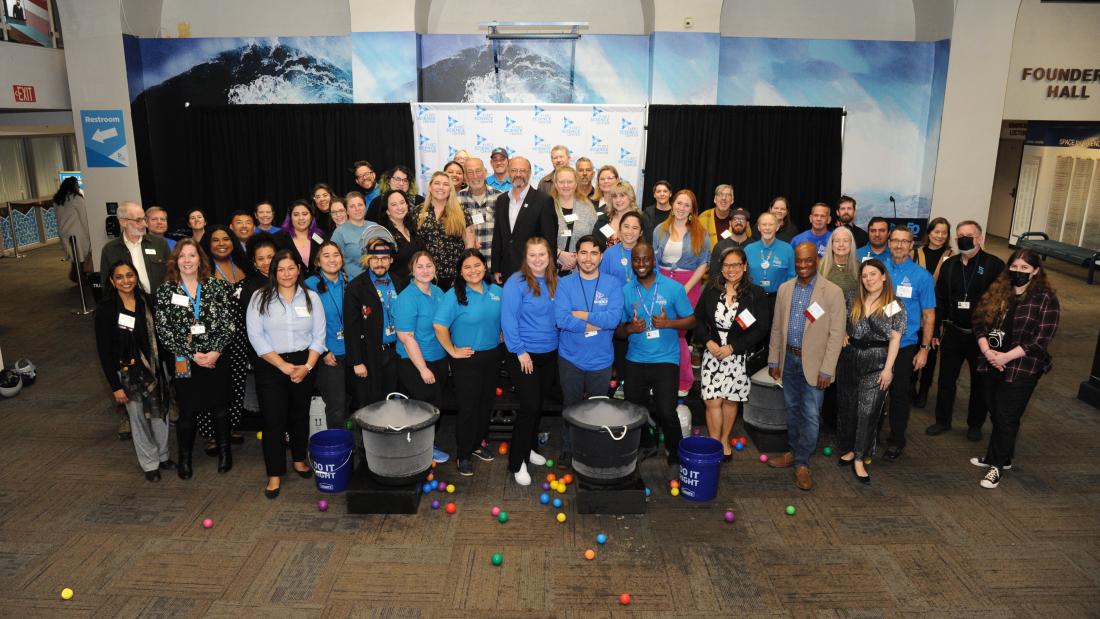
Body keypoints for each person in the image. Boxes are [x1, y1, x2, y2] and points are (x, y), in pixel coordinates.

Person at [970, 249, 1060, 489]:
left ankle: (996, 466)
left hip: (1022, 366)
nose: (1018, 272)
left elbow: (1041, 339)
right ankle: (1002, 456)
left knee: (1006, 417)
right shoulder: (998, 290)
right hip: (990, 361)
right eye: (1015, 267)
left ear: (1036, 271)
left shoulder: (1045, 298)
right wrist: (988, 353)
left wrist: (1006, 357)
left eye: (1024, 268)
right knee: (996, 411)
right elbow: (978, 321)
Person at [766, 242, 846, 491]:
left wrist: (827, 370)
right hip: (789, 359)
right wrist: (774, 359)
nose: (802, 265)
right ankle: (793, 451)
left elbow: (836, 335)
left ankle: (802, 462)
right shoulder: (785, 289)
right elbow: (777, 326)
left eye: (808, 260)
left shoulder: (832, 292)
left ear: (817, 260)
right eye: (799, 261)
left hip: (816, 365)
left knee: (811, 414)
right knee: (791, 409)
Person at [155, 239, 238, 480]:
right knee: (187, 412)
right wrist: (192, 354)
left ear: (200, 260)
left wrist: (215, 352)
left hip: (216, 357)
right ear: (175, 261)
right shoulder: (166, 290)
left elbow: (229, 323)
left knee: (220, 408)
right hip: (184, 360)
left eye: (192, 255)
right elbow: (163, 330)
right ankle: (185, 458)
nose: (188, 260)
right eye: (183, 256)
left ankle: (225, 453)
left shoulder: (215, 286)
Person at [246, 250, 326, 498]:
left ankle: (299, 459)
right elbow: (256, 337)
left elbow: (319, 336)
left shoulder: (311, 297)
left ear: (299, 270)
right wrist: (282, 366)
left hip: (304, 364)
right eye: (280, 269)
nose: (286, 274)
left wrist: (307, 367)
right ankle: (274, 473)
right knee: (273, 420)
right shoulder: (260, 298)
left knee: (299, 415)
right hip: (271, 365)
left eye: (291, 268)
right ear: (273, 272)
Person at [617, 241, 696, 477]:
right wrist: (631, 328)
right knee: (635, 409)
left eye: (645, 259)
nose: (641, 264)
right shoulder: (626, 291)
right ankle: (646, 444)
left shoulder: (673, 288)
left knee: (666, 411)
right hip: (635, 358)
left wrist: (669, 323)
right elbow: (618, 330)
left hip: (666, 359)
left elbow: (691, 320)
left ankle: (675, 451)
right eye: (636, 260)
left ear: (654, 261)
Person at [926, 220, 1004, 439]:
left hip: (982, 338)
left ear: (980, 238)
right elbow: (939, 299)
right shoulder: (949, 265)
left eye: (969, 235)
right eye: (960, 235)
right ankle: (942, 421)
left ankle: (975, 424)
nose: (964, 239)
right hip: (953, 332)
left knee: (979, 383)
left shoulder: (994, 266)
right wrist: (934, 331)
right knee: (946, 380)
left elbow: (1002, 303)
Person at [95, 260, 172, 481]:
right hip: (127, 373)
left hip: (154, 368)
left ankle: (164, 455)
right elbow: (103, 351)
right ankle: (150, 464)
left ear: (136, 276)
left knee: (160, 414)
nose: (126, 281)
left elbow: (160, 337)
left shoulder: (146, 300)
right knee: (138, 419)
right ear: (112, 281)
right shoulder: (106, 308)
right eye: (119, 277)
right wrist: (115, 386)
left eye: (130, 275)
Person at [554, 235, 625, 467]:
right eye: (583, 253)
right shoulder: (565, 283)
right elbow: (562, 319)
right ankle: (568, 448)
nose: (588, 258)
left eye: (594, 253)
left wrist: (581, 315)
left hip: (601, 360)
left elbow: (613, 319)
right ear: (576, 256)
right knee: (571, 406)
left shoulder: (613, 283)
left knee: (597, 409)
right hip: (570, 358)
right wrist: (597, 322)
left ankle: (594, 448)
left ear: (601, 256)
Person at [695, 247, 770, 459]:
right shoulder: (711, 288)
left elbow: (762, 328)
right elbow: (698, 319)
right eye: (727, 265)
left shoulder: (755, 294)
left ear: (744, 266)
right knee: (712, 400)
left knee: (729, 400)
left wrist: (733, 347)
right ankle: (713, 441)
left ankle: (724, 440)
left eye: (736, 264)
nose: (731, 269)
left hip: (737, 356)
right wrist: (708, 341)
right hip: (713, 354)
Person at [433, 249, 503, 476]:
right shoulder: (453, 295)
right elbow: (439, 326)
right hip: (467, 359)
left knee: (485, 405)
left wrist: (502, 333)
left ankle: (477, 445)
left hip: (492, 356)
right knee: (468, 408)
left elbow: (506, 317)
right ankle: (463, 454)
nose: (473, 270)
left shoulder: (496, 291)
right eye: (467, 267)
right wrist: (452, 351)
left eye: (477, 265)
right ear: (461, 272)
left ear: (485, 267)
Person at [836, 259, 905, 484]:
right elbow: (838, 321)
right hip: (849, 359)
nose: (869, 279)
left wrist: (889, 370)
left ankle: (859, 457)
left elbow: (895, 338)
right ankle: (848, 448)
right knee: (848, 407)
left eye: (873, 274)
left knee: (868, 411)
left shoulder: (894, 304)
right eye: (865, 276)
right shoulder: (852, 298)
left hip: (877, 361)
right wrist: (842, 333)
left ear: (884, 276)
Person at [501, 238, 560, 485]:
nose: (537, 260)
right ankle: (517, 462)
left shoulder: (555, 281)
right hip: (524, 355)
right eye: (532, 255)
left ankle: (529, 449)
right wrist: (520, 351)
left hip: (550, 352)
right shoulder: (516, 283)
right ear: (525, 258)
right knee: (529, 408)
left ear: (549, 257)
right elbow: (508, 320)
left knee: (539, 406)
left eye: (542, 255)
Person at [880, 227, 936, 461]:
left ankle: (896, 439)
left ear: (912, 246)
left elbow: (929, 316)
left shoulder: (922, 276)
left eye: (905, 242)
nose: (899, 245)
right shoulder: (877, 268)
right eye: (895, 241)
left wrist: (924, 350)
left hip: (905, 344)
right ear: (889, 243)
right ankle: (870, 433)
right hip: (877, 342)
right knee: (873, 392)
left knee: (899, 394)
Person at [393, 251, 450, 463]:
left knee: (436, 406)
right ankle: (422, 449)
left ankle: (428, 444)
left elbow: (446, 324)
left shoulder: (437, 292)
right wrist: (423, 369)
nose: (425, 270)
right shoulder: (407, 298)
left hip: (439, 358)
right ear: (412, 271)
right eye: (420, 266)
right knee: (424, 408)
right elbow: (407, 339)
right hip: (415, 362)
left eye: (429, 266)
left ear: (435, 269)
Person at [653, 189, 711, 395]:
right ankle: (659, 379)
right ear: (673, 204)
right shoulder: (660, 229)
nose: (681, 208)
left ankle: (684, 380)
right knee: (660, 330)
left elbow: (704, 263)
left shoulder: (700, 233)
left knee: (679, 332)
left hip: (688, 284)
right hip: (662, 282)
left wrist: (684, 288)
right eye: (679, 203)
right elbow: (654, 261)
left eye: (687, 205)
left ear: (692, 210)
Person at [199, 225, 251, 454]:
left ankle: (231, 427)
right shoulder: (203, 271)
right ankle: (210, 434)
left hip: (240, 337)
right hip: (213, 340)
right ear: (208, 245)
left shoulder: (243, 266)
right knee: (211, 386)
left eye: (226, 239)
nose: (222, 243)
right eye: (216, 240)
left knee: (237, 383)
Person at [345, 237, 405, 407]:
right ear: (367, 260)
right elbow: (351, 327)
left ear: (391, 260)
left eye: (384, 258)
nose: (380, 263)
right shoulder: (356, 287)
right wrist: (356, 361)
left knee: (395, 400)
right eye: (375, 259)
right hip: (369, 355)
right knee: (372, 404)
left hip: (397, 352)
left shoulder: (399, 282)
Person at [304, 241, 352, 430]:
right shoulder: (309, 285)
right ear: (318, 261)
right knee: (336, 407)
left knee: (348, 402)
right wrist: (322, 351)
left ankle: (349, 445)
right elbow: (304, 324)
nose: (332, 259)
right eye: (326, 255)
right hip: (328, 355)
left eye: (336, 254)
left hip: (351, 354)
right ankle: (336, 450)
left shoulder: (349, 282)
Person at [909, 216, 954, 407]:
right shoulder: (915, 253)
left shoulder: (952, 257)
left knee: (930, 352)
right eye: (936, 231)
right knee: (910, 350)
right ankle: (910, 387)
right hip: (913, 313)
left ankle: (924, 391)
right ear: (929, 233)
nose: (940, 236)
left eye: (944, 233)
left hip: (936, 314)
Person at [491, 156, 557, 282]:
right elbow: (498, 235)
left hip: (534, 269)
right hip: (506, 268)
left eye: (523, 171)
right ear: (508, 173)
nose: (518, 174)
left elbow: (550, 239)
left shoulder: (544, 200)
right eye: (514, 170)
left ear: (530, 173)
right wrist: (496, 267)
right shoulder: (501, 200)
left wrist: (550, 270)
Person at [99, 201, 171, 298]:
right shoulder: (110, 249)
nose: (144, 224)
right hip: (128, 304)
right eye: (138, 220)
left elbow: (172, 274)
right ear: (123, 222)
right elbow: (106, 284)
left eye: (144, 219)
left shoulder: (160, 244)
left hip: (158, 301)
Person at [419, 171, 475, 290]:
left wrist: (464, 273)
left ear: (450, 189)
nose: (441, 187)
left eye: (445, 184)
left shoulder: (461, 212)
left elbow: (470, 246)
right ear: (430, 187)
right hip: (426, 275)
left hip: (455, 276)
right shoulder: (417, 212)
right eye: (437, 183)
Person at [551, 165, 598, 276]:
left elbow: (594, 239)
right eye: (562, 182)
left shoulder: (587, 208)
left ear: (576, 183)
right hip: (551, 271)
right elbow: (540, 237)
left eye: (570, 182)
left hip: (581, 270)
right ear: (556, 184)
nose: (566, 185)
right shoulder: (547, 206)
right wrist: (558, 254)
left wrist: (577, 257)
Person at [744, 212, 796, 305]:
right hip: (752, 298)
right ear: (759, 227)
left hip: (778, 299)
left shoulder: (787, 249)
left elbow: (792, 276)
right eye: (764, 225)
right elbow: (743, 276)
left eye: (771, 225)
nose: (767, 228)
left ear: (777, 227)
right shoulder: (748, 249)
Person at [457, 157, 501, 266]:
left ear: (485, 172)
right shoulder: (456, 200)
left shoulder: (500, 197)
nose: (475, 176)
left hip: (493, 264)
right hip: (468, 266)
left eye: (478, 171)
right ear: (465, 177)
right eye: (470, 173)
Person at [52, 176, 92, 281]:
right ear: (73, 186)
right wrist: (89, 234)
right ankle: (81, 277)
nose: (78, 187)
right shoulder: (76, 198)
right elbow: (84, 218)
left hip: (64, 232)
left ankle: (75, 276)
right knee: (82, 257)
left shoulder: (57, 199)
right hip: (77, 233)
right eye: (77, 185)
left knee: (74, 257)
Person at [378, 189, 421, 283]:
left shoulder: (413, 227)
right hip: (396, 287)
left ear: (407, 205)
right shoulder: (383, 234)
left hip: (417, 284)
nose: (400, 207)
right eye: (394, 205)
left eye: (402, 203)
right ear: (387, 211)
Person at [592, 181, 651, 248]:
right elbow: (593, 243)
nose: (618, 200)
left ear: (630, 197)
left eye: (622, 195)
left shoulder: (642, 220)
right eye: (615, 196)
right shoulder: (603, 219)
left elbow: (647, 246)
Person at [330, 191, 374, 280]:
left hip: (378, 280)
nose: (357, 208)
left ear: (365, 207)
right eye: (352, 206)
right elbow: (332, 261)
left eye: (360, 205)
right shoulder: (339, 233)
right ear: (347, 211)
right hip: (354, 284)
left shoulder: (375, 227)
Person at [600, 211, 645, 287]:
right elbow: (602, 282)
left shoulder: (648, 253)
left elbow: (654, 282)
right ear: (620, 229)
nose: (630, 232)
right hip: (615, 297)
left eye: (635, 228)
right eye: (626, 226)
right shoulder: (609, 253)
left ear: (641, 232)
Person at [820, 226, 859, 311]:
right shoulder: (820, 267)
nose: (841, 244)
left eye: (845, 241)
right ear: (832, 244)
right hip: (826, 316)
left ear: (851, 244)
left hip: (852, 318)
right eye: (837, 241)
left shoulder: (860, 268)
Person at [708, 207, 753, 277]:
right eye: (735, 219)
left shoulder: (754, 246)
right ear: (730, 223)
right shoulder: (720, 247)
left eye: (742, 219)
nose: (738, 222)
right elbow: (714, 274)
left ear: (747, 224)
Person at [280, 199, 324, 271]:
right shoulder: (279, 238)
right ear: (290, 218)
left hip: (317, 281)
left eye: (305, 214)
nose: (301, 218)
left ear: (311, 217)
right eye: (296, 215)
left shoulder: (320, 237)